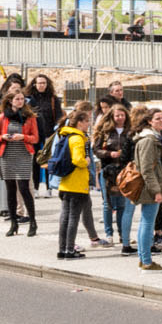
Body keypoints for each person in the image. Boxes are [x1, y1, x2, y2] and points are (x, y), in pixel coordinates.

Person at [0, 83, 40, 237]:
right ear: (10, 101)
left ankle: (33, 222)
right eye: (17, 99)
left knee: (24, 188)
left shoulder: (29, 117)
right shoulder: (1, 117)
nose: (20, 101)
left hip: (23, 154)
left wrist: (23, 137)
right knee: (10, 189)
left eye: (22, 99)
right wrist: (2, 137)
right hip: (7, 154)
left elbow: (35, 138)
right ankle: (13, 222)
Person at [130, 107, 162, 270]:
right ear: (149, 121)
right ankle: (147, 261)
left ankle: (144, 258)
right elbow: (147, 168)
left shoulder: (154, 137)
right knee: (148, 223)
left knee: (145, 222)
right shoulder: (149, 140)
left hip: (153, 184)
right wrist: (156, 190)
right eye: (158, 119)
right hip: (151, 186)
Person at [52, 101, 96, 260]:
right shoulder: (78, 139)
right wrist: (87, 162)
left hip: (65, 183)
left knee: (64, 218)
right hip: (76, 185)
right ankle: (70, 250)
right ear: (79, 122)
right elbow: (78, 160)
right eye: (86, 121)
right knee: (73, 219)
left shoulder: (65, 135)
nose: (88, 124)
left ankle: (62, 249)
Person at [92, 102, 134, 252]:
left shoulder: (130, 132)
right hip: (108, 170)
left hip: (124, 171)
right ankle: (109, 234)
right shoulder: (105, 132)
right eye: (117, 115)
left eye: (122, 115)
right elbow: (95, 150)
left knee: (122, 203)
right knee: (107, 203)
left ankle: (123, 234)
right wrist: (110, 154)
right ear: (112, 116)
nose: (120, 118)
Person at [24, 72, 62, 190]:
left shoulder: (52, 98)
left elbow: (58, 116)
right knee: (35, 161)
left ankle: (48, 187)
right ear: (34, 84)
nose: (41, 85)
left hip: (49, 134)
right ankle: (35, 187)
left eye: (43, 83)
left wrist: (57, 130)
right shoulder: (29, 99)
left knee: (48, 161)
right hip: (34, 134)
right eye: (39, 83)